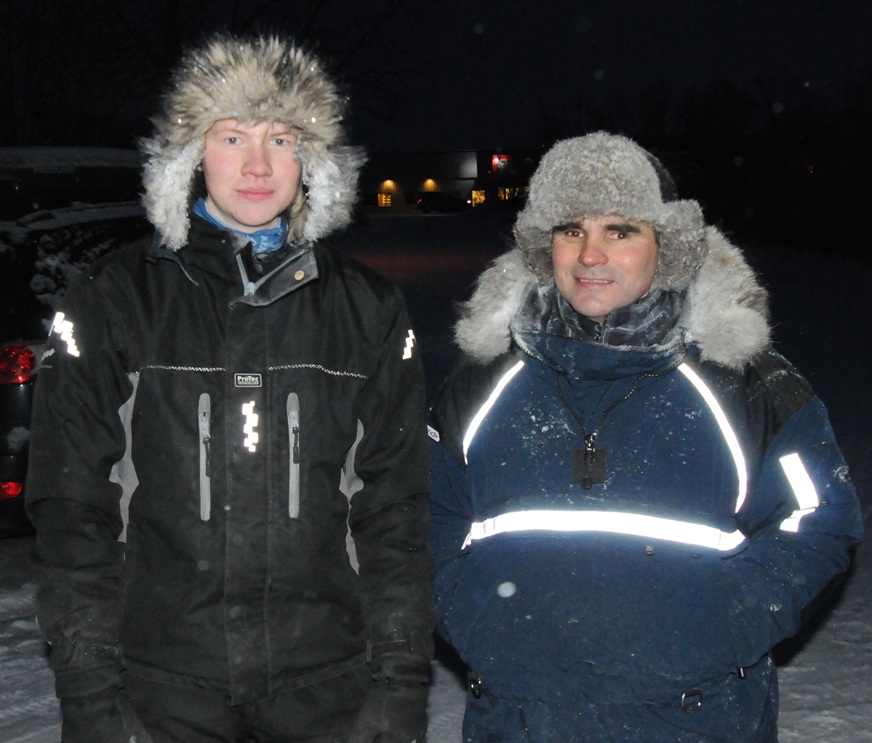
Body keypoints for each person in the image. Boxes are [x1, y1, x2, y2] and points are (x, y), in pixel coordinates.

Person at [26, 35, 433, 743]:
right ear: (193, 154)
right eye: (232, 136)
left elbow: (395, 512)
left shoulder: (366, 308)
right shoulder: (116, 297)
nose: (257, 165)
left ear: (310, 159)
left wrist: (399, 687)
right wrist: (90, 693)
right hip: (160, 690)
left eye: (281, 139)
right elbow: (72, 510)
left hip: (326, 691)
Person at [426, 132, 863, 742]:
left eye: (620, 231)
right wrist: (474, 615)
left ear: (667, 247)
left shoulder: (745, 383)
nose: (591, 255)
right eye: (571, 229)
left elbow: (819, 517)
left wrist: (724, 622)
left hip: (695, 720)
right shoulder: (482, 383)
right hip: (520, 721)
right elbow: (424, 512)